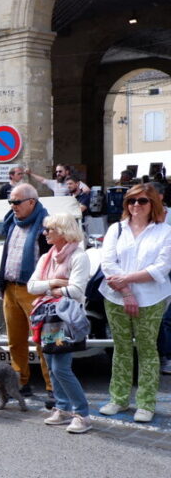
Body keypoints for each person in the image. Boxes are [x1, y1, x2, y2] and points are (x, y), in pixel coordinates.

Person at [97, 184, 171, 423]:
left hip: (151, 298)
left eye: (142, 201)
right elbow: (107, 263)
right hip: (116, 297)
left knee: (148, 349)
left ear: (153, 204)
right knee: (121, 349)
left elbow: (161, 267)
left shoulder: (164, 232)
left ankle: (146, 403)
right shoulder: (116, 229)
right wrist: (127, 292)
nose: (136, 205)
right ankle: (118, 398)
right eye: (131, 201)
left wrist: (126, 279)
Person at [27, 213, 92, 433]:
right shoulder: (48, 256)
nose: (45, 233)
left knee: (61, 368)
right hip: (47, 318)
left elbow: (76, 291)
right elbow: (31, 286)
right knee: (52, 366)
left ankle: (82, 413)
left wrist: (48, 289)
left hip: (65, 320)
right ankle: (63, 408)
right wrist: (54, 283)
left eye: (49, 229)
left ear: (63, 232)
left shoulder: (78, 257)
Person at [0, 183, 52, 399]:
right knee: (15, 340)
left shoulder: (46, 224)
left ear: (32, 201)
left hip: (34, 291)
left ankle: (52, 387)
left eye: (16, 202)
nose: (12, 206)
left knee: (42, 341)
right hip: (11, 287)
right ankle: (20, 382)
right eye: (10, 201)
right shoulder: (12, 221)